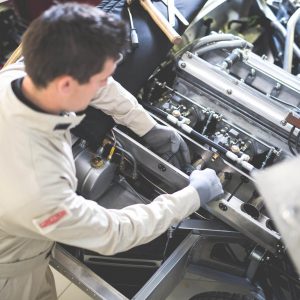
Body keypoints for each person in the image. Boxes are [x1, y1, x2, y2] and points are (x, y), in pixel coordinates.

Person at [0, 3, 223, 300]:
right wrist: (192, 195)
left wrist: (147, 126)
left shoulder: (20, 75)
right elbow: (113, 233)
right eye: (101, 77)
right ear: (67, 84)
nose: (105, 84)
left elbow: (101, 88)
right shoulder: (38, 191)